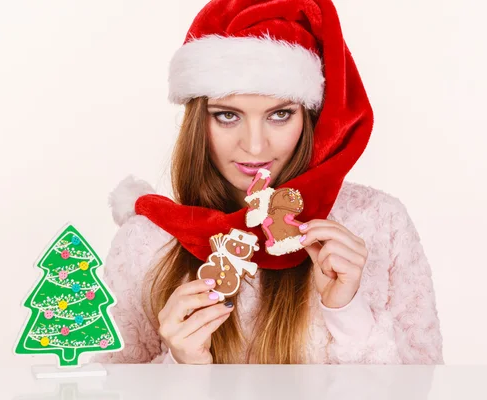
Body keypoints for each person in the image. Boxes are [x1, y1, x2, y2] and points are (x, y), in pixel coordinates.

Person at [93, 0, 444, 365]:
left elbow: (429, 386)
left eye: (279, 114)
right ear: (198, 121)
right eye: (227, 116)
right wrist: (181, 369)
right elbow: (103, 386)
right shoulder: (147, 243)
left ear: (311, 116)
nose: (255, 146)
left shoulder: (378, 223)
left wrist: (348, 315)